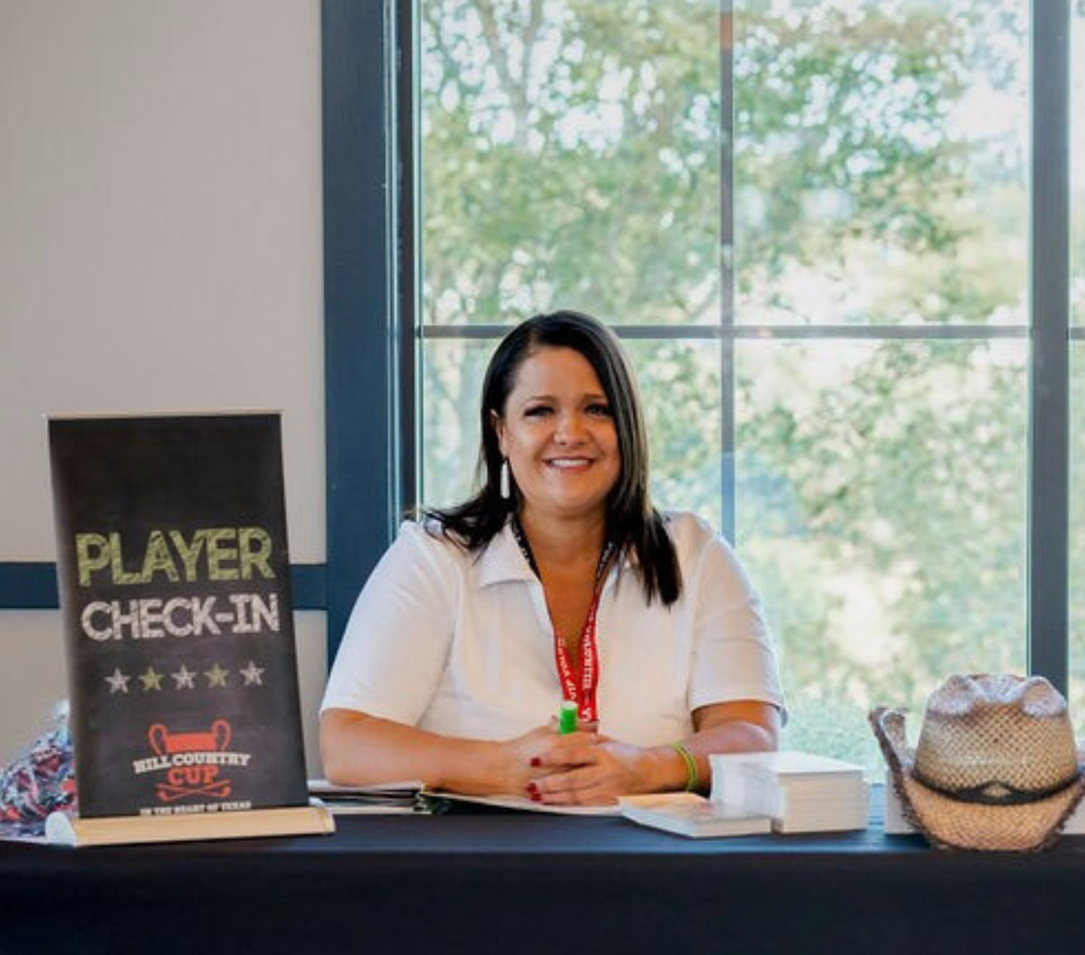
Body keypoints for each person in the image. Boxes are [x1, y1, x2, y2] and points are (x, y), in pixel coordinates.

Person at [320, 310, 783, 804]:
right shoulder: (433, 556)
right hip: (470, 865)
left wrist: (647, 768)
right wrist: (500, 766)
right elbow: (347, 744)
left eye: (598, 409)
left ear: (627, 427)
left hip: (658, 865)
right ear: (501, 432)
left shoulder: (697, 554)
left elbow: (753, 737)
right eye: (540, 410)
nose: (570, 432)